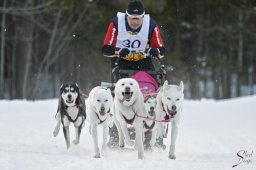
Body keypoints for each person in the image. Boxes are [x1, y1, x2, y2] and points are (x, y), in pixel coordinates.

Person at [102, 0, 166, 74]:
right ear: (126, 16)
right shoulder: (116, 23)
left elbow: (162, 50)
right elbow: (106, 50)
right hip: (120, 60)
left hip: (143, 60)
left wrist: (156, 51)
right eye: (132, 17)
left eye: (138, 18)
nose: (135, 22)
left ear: (143, 16)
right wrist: (118, 51)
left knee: (150, 83)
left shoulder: (151, 25)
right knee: (123, 84)